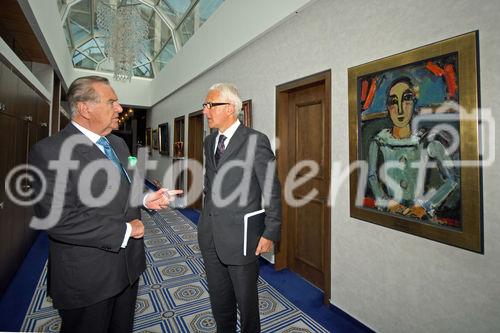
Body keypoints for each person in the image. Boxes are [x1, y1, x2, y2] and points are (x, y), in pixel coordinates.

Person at [29, 76, 180, 332]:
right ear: (85, 108)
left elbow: (128, 184)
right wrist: (126, 231)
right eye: (112, 102)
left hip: (129, 267)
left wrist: (145, 198)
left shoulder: (119, 144)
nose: (120, 108)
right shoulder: (50, 151)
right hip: (88, 277)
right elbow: (57, 220)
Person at [198, 83, 282, 332]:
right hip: (211, 235)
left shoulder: (255, 141)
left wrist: (270, 232)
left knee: (246, 303)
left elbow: (272, 188)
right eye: (205, 105)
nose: (206, 111)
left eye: (211, 105)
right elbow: (210, 183)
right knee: (219, 298)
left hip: (242, 237)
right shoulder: (209, 141)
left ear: (231, 109)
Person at [367, 76, 458, 219]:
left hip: (419, 218)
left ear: (414, 102)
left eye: (407, 98)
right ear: (388, 107)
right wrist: (387, 202)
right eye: (393, 101)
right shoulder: (379, 141)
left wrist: (426, 207)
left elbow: (452, 180)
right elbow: (372, 176)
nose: (400, 109)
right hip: (390, 216)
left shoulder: (427, 140)